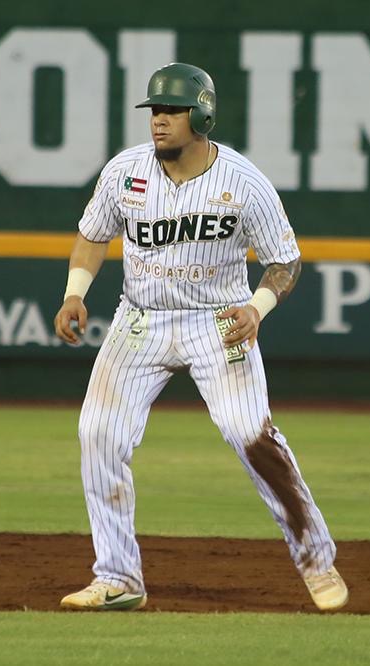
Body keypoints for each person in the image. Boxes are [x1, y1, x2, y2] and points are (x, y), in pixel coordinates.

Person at [54, 62, 347, 612]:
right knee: (98, 432)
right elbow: (92, 236)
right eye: (155, 111)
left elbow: (285, 262)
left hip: (218, 320)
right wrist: (75, 293)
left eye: (171, 110)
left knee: (250, 433)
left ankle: (316, 559)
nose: (159, 121)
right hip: (140, 319)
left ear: (202, 114)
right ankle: (118, 577)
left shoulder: (242, 181)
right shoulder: (125, 172)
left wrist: (258, 308)